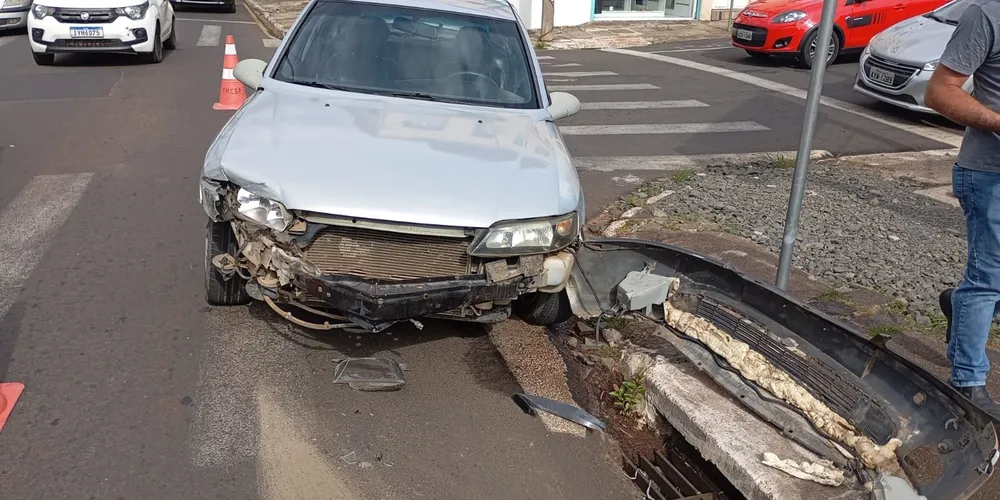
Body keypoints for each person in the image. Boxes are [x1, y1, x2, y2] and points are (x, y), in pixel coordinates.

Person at [926, 0, 1000, 420]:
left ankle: (961, 302)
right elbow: (939, 90)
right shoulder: (987, 16)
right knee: (988, 278)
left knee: (985, 287)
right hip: (990, 174)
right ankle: (968, 382)